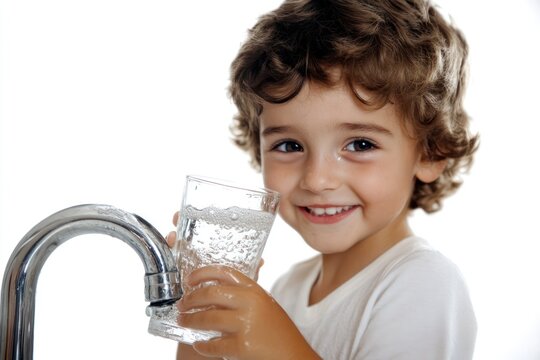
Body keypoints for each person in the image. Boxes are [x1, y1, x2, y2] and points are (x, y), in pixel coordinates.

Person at [166, 0, 479, 358]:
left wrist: (276, 343)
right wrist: (198, 324)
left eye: (360, 144)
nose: (316, 179)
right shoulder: (289, 289)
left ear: (430, 153)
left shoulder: (423, 283)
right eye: (289, 145)